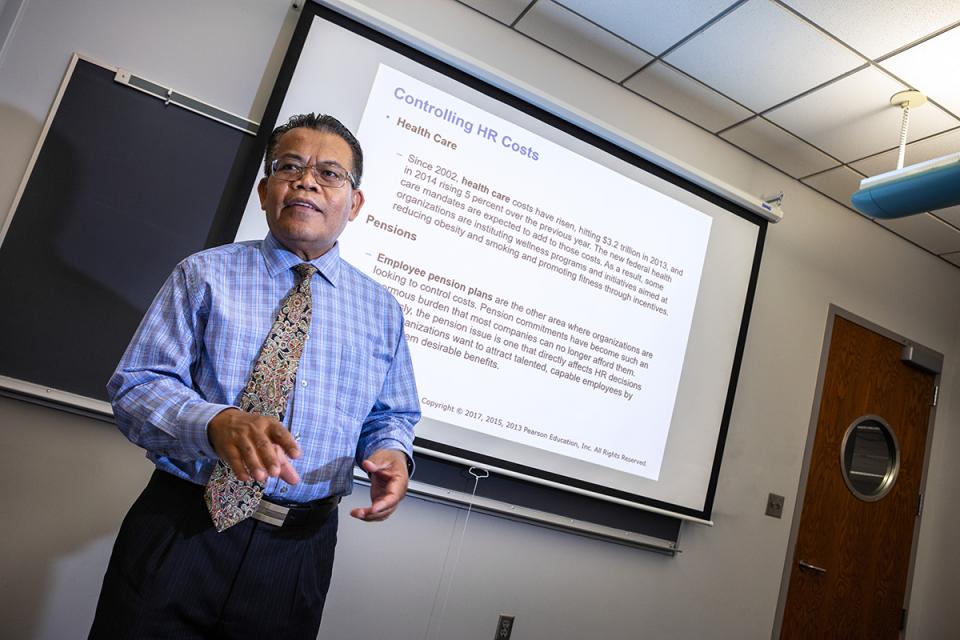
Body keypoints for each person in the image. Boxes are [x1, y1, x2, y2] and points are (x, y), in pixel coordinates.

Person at [90, 113, 420, 639]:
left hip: (298, 553)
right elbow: (136, 384)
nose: (307, 181)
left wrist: (391, 452)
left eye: (329, 173)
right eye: (290, 167)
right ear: (266, 191)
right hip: (182, 526)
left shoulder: (382, 310)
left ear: (354, 204)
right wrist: (214, 424)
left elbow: (392, 413)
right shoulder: (203, 274)